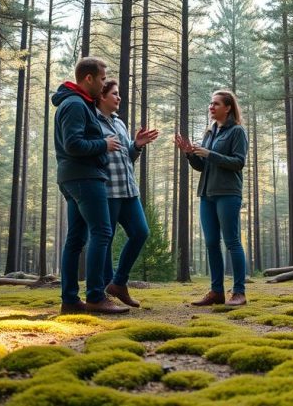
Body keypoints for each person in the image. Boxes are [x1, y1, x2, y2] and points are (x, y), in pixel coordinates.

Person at [51, 56, 127, 315]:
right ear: (88, 78)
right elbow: (74, 144)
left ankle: (70, 300)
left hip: (74, 177)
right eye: (103, 78)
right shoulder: (74, 105)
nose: (104, 83)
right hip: (84, 177)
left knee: (76, 239)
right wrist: (103, 144)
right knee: (102, 232)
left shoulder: (77, 103)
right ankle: (95, 296)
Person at [174, 90, 249, 307]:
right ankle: (216, 292)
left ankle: (239, 292)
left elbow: (238, 162)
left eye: (216, 103)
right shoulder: (210, 133)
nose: (211, 107)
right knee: (211, 243)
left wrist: (209, 154)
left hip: (228, 193)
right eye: (210, 103)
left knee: (232, 241)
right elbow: (202, 167)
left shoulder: (237, 132)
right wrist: (190, 153)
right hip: (207, 195)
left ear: (228, 107)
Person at [96, 80, 159, 307]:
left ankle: (118, 282)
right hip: (107, 190)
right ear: (102, 96)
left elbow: (127, 156)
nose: (119, 97)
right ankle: (103, 291)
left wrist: (137, 145)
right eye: (115, 93)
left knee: (141, 232)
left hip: (129, 189)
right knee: (105, 239)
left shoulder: (119, 123)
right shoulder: (92, 120)